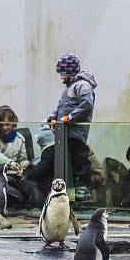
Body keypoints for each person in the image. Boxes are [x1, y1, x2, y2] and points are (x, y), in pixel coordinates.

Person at [48, 53, 97, 201]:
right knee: (68, 160)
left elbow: (86, 106)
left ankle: (83, 187)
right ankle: (68, 189)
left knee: (79, 158)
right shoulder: (69, 88)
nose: (61, 77)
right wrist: (53, 117)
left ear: (70, 71)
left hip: (76, 132)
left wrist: (69, 118)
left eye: (63, 73)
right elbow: (62, 105)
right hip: (65, 132)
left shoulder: (82, 86)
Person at [0, 105, 30, 186]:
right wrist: (10, 163)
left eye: (7, 124)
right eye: (1, 125)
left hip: (13, 173)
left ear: (13, 123)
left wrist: (25, 168)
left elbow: (22, 159)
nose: (4, 127)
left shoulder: (19, 139)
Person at [23, 124, 55, 202]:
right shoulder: (54, 149)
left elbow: (42, 169)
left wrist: (27, 173)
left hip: (47, 187)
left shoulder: (49, 152)